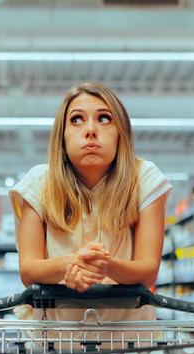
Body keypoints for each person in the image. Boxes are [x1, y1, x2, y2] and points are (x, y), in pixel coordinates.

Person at [9, 81, 172, 322]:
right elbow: (29, 269)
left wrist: (105, 266)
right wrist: (70, 264)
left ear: (121, 134)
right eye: (76, 120)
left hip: (128, 341)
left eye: (104, 118)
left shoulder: (144, 179)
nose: (91, 130)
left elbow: (147, 270)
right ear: (62, 138)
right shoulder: (38, 183)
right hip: (55, 339)